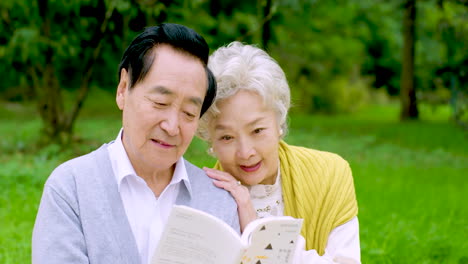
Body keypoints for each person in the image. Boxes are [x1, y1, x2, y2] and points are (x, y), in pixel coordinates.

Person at [32, 24, 239, 264]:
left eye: (189, 113)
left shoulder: (217, 200)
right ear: (123, 89)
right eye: (160, 103)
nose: (172, 126)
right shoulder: (71, 189)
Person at [197, 41, 360, 263]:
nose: (245, 153)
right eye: (227, 137)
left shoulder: (330, 175)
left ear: (279, 121)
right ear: (210, 140)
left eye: (257, 130)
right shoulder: (202, 201)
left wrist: (258, 230)